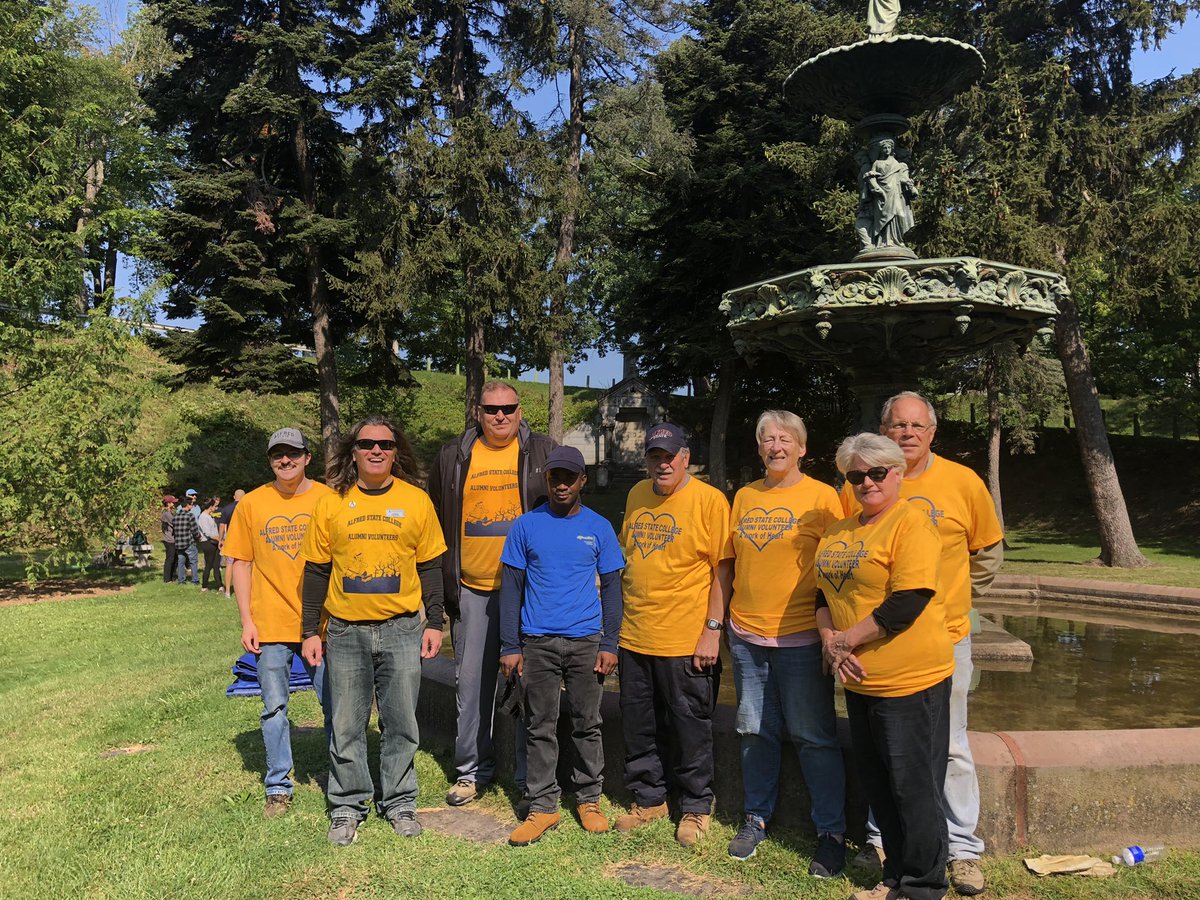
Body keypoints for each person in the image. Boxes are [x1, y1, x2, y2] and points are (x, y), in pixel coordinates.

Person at [844, 392, 1003, 896]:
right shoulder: (864, 482)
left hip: (944, 640)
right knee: (882, 751)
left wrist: (952, 604)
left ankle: (962, 848)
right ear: (883, 432)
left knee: (950, 746)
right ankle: (881, 841)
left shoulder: (962, 482)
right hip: (872, 647)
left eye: (916, 425)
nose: (906, 433)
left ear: (932, 432)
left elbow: (988, 552)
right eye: (897, 425)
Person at [817, 432, 952, 900]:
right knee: (880, 785)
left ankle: (923, 886)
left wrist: (845, 641)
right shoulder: (840, 529)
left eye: (877, 473)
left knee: (914, 789)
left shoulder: (910, 523)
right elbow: (823, 594)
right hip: (861, 681)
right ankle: (895, 877)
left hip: (910, 681)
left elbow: (908, 601)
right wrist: (830, 639)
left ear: (897, 473)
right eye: (857, 476)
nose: (867, 483)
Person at [301, 416, 446, 846]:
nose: (376, 450)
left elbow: (431, 566)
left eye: (384, 444)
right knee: (346, 723)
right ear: (354, 452)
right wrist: (311, 630)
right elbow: (315, 570)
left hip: (402, 629)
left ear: (396, 450)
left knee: (401, 722)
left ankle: (400, 801)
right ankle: (347, 804)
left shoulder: (417, 501)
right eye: (367, 444)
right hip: (345, 632)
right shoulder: (331, 503)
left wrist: (435, 622)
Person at [724, 411, 847, 872]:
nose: (776, 446)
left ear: (802, 447)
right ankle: (756, 817)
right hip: (746, 636)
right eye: (767, 439)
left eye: (785, 438)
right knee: (754, 730)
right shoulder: (744, 496)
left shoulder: (824, 498)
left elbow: (839, 567)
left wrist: (832, 631)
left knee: (814, 736)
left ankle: (831, 830)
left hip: (801, 637)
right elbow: (733, 563)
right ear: (759, 449)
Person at [427, 381, 555, 807]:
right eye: (491, 409)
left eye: (508, 409)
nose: (500, 416)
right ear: (477, 412)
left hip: (529, 590)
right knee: (470, 683)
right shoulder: (453, 455)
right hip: (472, 589)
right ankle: (471, 772)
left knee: (528, 685)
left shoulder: (543, 451)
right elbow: (435, 519)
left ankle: (526, 778)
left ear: (521, 411)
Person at [497, 446, 624, 846]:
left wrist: (610, 642)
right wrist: (509, 645)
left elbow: (614, 590)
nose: (562, 484)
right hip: (537, 641)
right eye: (555, 477)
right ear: (546, 480)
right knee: (539, 726)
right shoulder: (525, 526)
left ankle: (589, 799)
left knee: (589, 723)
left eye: (570, 477)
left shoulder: (600, 527)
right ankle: (543, 806)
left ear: (582, 480)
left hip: (586, 641)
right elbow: (511, 589)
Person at [614, 422, 732, 847]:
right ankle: (650, 799)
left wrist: (712, 631)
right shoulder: (635, 495)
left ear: (685, 457)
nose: (662, 463)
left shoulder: (710, 501)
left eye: (669, 456)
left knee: (691, 727)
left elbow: (723, 570)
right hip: (635, 635)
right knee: (639, 725)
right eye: (654, 456)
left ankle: (697, 806)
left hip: (686, 639)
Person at [223, 428, 332, 817]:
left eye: (293, 454)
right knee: (273, 709)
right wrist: (247, 620)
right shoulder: (251, 504)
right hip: (269, 625)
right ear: (270, 460)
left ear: (307, 457)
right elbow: (241, 562)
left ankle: (340, 778)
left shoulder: (327, 499)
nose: (285, 461)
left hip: (320, 626)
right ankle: (278, 786)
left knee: (334, 705)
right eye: (277, 455)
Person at [218, 489, 246, 597]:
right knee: (246, 564)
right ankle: (246, 589)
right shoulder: (247, 507)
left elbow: (221, 525)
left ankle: (228, 591)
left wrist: (220, 539)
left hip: (231, 539)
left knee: (229, 564)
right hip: (244, 539)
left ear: (234, 497)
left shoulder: (226, 509)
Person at [172, 494, 201, 586]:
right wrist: (198, 537)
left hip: (179, 543)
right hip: (189, 543)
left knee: (181, 562)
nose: (192, 506)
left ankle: (181, 580)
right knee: (193, 561)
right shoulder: (190, 516)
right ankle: (195, 580)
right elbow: (194, 530)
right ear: (188, 505)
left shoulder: (175, 517)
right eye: (191, 504)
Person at [196, 496, 221, 592]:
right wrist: (219, 539)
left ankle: (220, 585)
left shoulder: (210, 516)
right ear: (210, 506)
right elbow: (208, 533)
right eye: (214, 506)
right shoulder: (203, 517)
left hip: (215, 542)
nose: (215, 508)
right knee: (209, 564)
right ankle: (204, 585)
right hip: (208, 543)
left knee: (216, 565)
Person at [160, 495, 178, 584]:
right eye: (172, 502)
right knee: (170, 559)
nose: (174, 503)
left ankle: (172, 576)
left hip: (172, 539)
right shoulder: (166, 514)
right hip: (169, 540)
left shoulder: (169, 512)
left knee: (174, 558)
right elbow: (175, 522)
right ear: (168, 503)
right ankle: (167, 579)